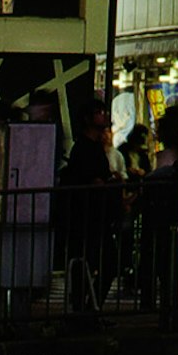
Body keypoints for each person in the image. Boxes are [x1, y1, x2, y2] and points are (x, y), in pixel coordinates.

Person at [58, 103, 115, 316]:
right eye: (99, 113)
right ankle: (86, 309)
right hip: (88, 215)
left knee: (97, 263)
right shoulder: (84, 148)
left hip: (93, 215)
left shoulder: (92, 147)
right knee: (97, 262)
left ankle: (86, 308)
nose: (104, 116)